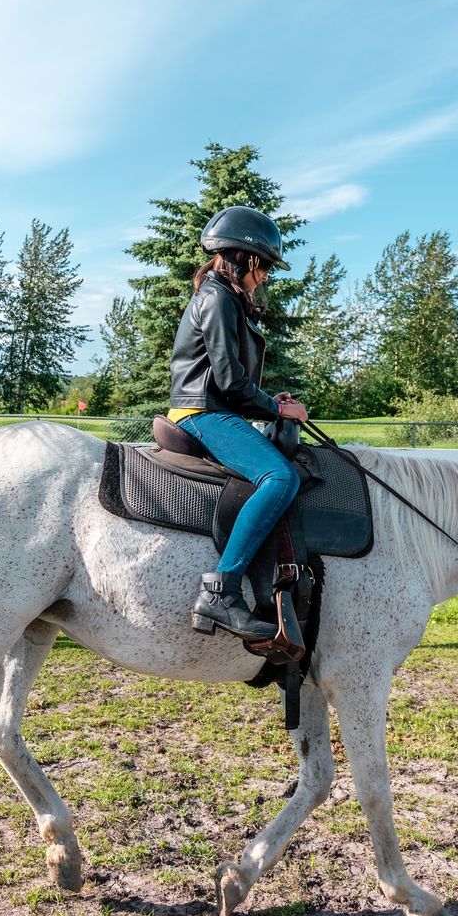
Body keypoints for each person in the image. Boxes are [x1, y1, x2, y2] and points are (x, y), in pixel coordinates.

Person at [169, 205, 310, 642]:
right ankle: (222, 590)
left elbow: (234, 380)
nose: (266, 275)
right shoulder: (216, 297)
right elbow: (228, 380)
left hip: (217, 409)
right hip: (201, 413)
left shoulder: (226, 298)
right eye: (265, 265)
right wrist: (277, 409)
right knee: (280, 478)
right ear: (242, 258)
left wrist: (272, 402)